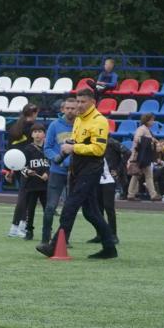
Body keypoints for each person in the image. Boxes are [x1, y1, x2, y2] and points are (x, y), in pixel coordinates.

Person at [40, 88, 118, 259]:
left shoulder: (99, 121)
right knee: (91, 212)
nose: (79, 105)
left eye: (83, 102)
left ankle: (54, 245)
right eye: (78, 102)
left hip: (91, 168)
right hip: (77, 167)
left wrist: (73, 147)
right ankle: (110, 247)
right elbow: (78, 140)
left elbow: (98, 149)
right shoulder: (79, 120)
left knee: (70, 205)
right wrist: (70, 144)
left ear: (92, 102)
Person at [37, 95, 77, 248]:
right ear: (62, 109)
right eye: (67, 108)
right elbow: (46, 148)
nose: (70, 111)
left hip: (74, 173)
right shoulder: (54, 125)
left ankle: (63, 239)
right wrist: (57, 159)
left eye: (73, 108)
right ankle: (45, 239)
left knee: (69, 208)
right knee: (50, 207)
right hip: (57, 171)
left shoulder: (81, 126)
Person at [8, 125, 49, 239]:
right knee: (30, 210)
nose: (37, 134)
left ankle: (47, 232)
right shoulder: (27, 149)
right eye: (35, 132)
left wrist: (48, 173)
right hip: (31, 185)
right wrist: (28, 171)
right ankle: (29, 231)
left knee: (48, 210)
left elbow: (52, 164)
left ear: (44, 134)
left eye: (40, 131)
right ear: (31, 135)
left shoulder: (48, 149)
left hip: (45, 186)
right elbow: (21, 166)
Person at [128, 114, 161, 200]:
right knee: (146, 175)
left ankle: (131, 194)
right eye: (151, 120)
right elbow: (137, 139)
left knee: (137, 175)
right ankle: (153, 195)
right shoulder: (142, 129)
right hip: (140, 156)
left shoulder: (147, 130)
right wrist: (151, 140)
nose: (153, 122)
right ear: (147, 121)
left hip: (144, 156)